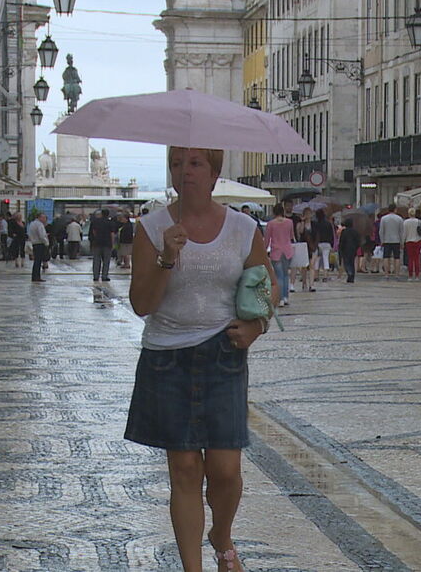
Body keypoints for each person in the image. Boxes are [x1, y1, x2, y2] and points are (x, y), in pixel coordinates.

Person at [125, 146, 276, 572]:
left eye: (194, 164)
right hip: (167, 357)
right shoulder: (152, 228)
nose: (184, 172)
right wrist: (166, 257)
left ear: (213, 172)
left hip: (223, 354)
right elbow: (141, 303)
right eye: (176, 164)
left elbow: (268, 288)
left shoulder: (243, 228)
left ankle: (222, 534)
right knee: (186, 468)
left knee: (226, 470)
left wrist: (256, 327)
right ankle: (193, 568)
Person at [264, 203, 294, 305]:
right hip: (288, 251)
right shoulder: (289, 222)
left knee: (278, 276)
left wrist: (264, 251)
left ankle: (280, 299)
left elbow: (267, 239)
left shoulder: (271, 224)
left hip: (276, 251)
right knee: (286, 275)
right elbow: (291, 236)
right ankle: (285, 297)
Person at [378, 203, 404, 278]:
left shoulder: (383, 218)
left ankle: (386, 273)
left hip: (386, 240)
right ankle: (397, 274)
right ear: (395, 209)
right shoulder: (399, 218)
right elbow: (401, 231)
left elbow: (381, 231)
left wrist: (382, 241)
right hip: (397, 240)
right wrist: (402, 242)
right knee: (397, 257)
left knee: (386, 257)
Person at [402, 207, 421, 281]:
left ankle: (410, 276)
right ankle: (417, 276)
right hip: (418, 241)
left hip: (409, 242)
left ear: (408, 213)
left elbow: (404, 233)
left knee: (410, 259)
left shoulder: (405, 222)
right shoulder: (419, 221)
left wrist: (402, 242)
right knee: (417, 259)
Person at [89, 209, 115, 282]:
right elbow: (112, 234)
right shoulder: (110, 223)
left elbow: (94, 232)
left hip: (97, 243)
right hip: (107, 244)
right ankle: (104, 276)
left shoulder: (95, 222)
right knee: (106, 261)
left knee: (96, 260)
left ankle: (96, 276)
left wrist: (96, 238)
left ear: (101, 214)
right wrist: (112, 244)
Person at [296, 207, 318, 291]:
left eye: (309, 213)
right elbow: (300, 232)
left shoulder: (315, 224)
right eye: (306, 213)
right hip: (304, 246)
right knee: (304, 266)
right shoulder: (301, 224)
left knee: (312, 265)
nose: (308, 215)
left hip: (313, 246)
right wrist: (302, 221)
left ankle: (311, 285)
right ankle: (304, 283)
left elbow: (317, 235)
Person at [27, 212, 49, 282]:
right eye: (44, 218)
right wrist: (46, 242)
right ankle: (37, 277)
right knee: (38, 261)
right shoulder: (39, 225)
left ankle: (35, 276)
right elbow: (42, 235)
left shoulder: (32, 224)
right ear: (40, 217)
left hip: (34, 243)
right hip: (40, 243)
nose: (45, 219)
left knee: (36, 261)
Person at [313, 208, 334, 282]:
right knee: (326, 259)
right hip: (327, 243)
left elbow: (314, 234)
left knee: (317, 260)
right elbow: (332, 235)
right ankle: (325, 275)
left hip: (318, 243)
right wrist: (332, 244)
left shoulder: (315, 224)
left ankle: (316, 275)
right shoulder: (328, 223)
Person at [339, 217, 361, 283]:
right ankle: (352, 276)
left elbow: (342, 240)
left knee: (346, 262)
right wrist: (356, 247)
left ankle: (349, 273)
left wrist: (340, 248)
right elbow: (358, 241)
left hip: (345, 249)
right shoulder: (355, 231)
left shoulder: (344, 231)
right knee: (352, 263)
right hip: (353, 249)